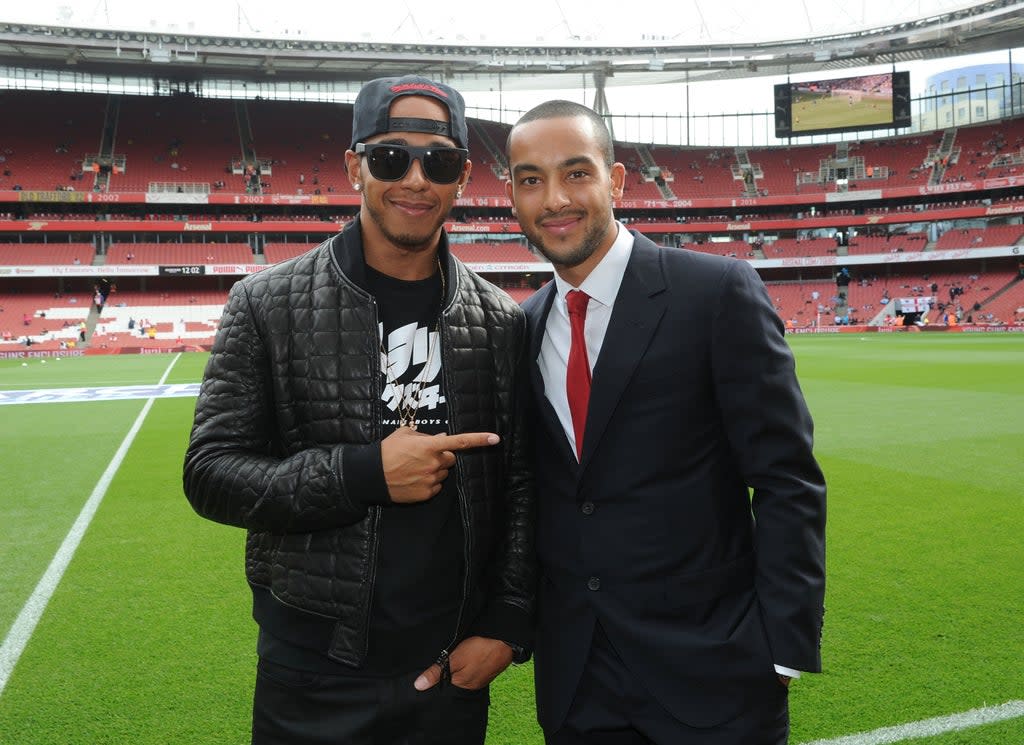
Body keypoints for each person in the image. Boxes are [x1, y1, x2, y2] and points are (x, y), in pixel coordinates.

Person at [183, 75, 535, 745]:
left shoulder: (500, 321)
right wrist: (362, 474)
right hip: (311, 671)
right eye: (389, 157)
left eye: (439, 161)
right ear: (354, 166)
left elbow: (520, 483)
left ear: (461, 177)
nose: (415, 179)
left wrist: (507, 624)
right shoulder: (265, 304)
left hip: (447, 672)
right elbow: (211, 472)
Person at [504, 100, 826, 745]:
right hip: (579, 679)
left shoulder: (716, 291)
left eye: (576, 173)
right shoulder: (526, 323)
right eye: (531, 180)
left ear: (616, 180)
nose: (555, 199)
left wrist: (782, 646)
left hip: (713, 669)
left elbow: (787, 477)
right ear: (512, 195)